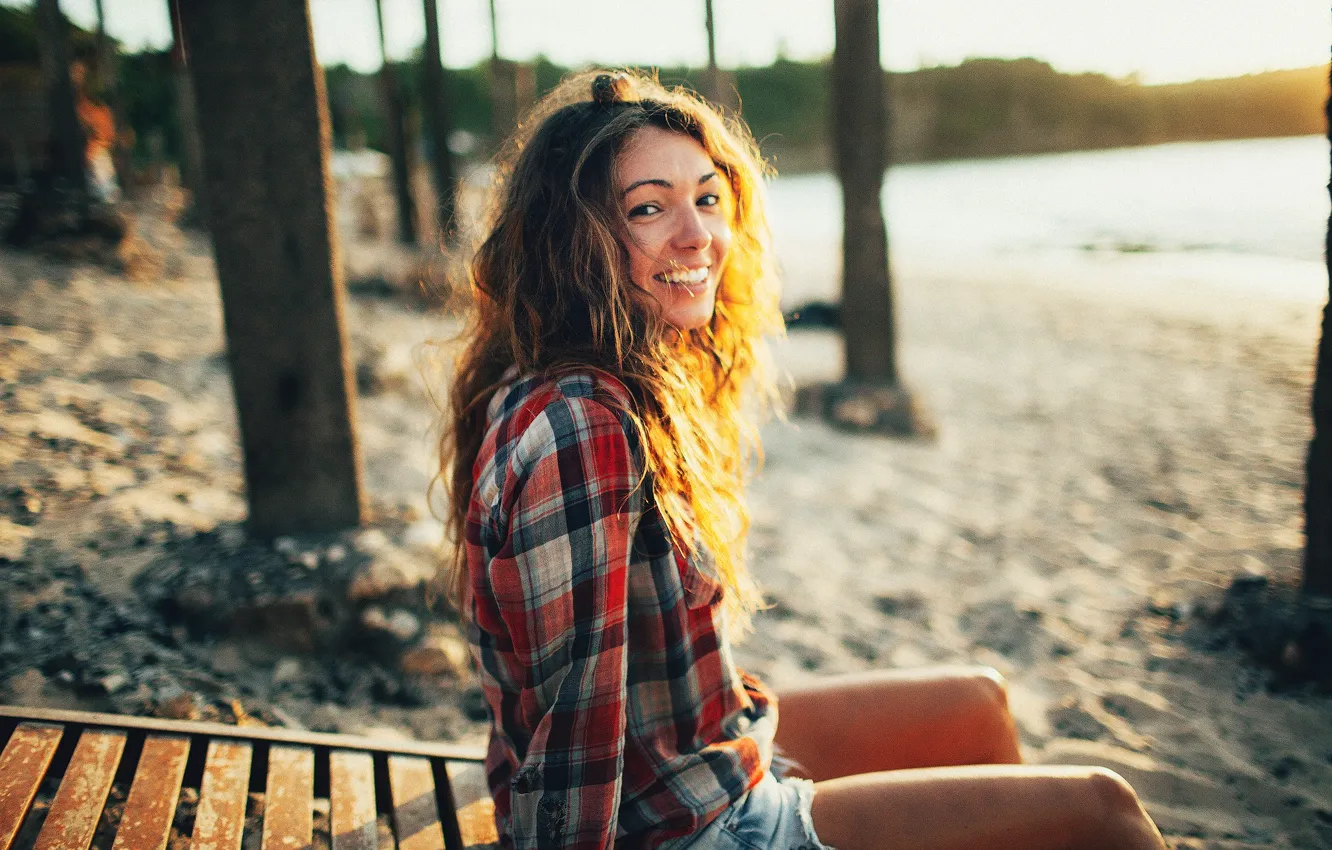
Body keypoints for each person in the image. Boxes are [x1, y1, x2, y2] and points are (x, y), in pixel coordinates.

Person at [439, 69, 1167, 850]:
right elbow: (573, 745)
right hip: (683, 827)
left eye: (708, 198)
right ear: (570, 237)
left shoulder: (578, 372)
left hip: (698, 748)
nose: (697, 238)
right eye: (648, 208)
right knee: (1105, 812)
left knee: (981, 704)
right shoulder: (584, 427)